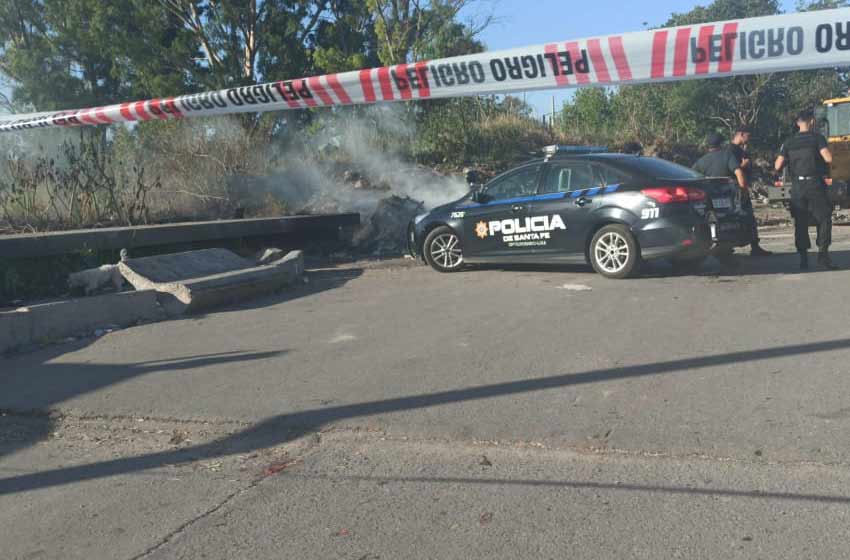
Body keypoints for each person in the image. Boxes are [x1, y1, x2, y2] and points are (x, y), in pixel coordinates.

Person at [775, 109, 836, 270]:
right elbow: (828, 158)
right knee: (824, 218)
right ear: (812, 121)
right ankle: (823, 254)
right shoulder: (817, 138)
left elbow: (777, 165)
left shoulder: (788, 142)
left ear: (797, 123)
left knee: (800, 222)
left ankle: (803, 258)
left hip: (797, 187)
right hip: (814, 184)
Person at [693, 132, 745, 269]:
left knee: (713, 226)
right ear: (721, 144)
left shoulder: (701, 161)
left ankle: (721, 253)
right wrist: (743, 189)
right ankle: (726, 254)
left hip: (707, 201)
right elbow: (738, 173)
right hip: (727, 198)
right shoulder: (727, 155)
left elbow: (692, 178)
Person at [728, 126, 772, 256]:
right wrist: (743, 165)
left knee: (750, 218)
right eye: (748, 136)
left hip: (743, 187)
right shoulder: (731, 150)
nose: (749, 139)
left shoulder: (741, 150)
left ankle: (755, 245)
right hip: (737, 188)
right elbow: (732, 170)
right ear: (741, 134)